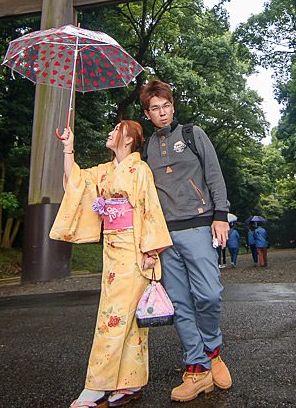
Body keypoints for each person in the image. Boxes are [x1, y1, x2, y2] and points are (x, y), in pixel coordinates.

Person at [50, 120, 173, 408]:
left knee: (113, 318)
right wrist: (69, 149)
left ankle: (96, 386)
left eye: (116, 129)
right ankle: (129, 383)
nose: (110, 133)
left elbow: (149, 207)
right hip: (113, 248)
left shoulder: (139, 169)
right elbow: (77, 182)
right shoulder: (107, 170)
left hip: (134, 249)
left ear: (129, 138)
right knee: (127, 321)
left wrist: (150, 250)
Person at [139, 80, 232, 402]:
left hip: (198, 225)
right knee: (179, 303)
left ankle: (213, 351)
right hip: (164, 234)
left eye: (165, 106)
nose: (162, 113)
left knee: (209, 293)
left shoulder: (193, 134)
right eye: (155, 109)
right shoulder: (146, 147)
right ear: (147, 113)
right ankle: (197, 369)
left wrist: (221, 214)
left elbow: (214, 174)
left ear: (173, 106)